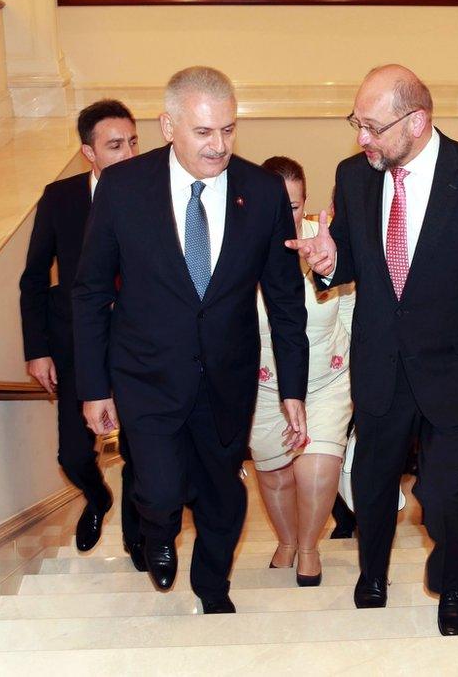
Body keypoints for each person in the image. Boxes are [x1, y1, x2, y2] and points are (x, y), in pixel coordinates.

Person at [288, 64, 458, 636]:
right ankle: (374, 572)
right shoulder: (353, 176)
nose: (361, 138)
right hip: (382, 363)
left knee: (444, 491)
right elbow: (364, 264)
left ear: (418, 122)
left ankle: (453, 581)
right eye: (355, 123)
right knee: (374, 479)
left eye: (372, 127)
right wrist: (331, 263)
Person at [73, 67, 309, 614]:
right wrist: (94, 387)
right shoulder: (123, 188)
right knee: (157, 489)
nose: (219, 145)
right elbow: (88, 293)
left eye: (228, 130)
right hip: (145, 374)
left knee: (224, 498)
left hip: (227, 377)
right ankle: (157, 532)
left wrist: (291, 387)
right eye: (204, 132)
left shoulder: (262, 191)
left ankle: (213, 586)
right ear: (168, 126)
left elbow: (285, 299)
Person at [19, 100, 144, 567]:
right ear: (88, 152)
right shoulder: (60, 198)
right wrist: (37, 350)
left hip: (137, 345)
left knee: (139, 449)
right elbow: (34, 277)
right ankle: (98, 499)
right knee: (73, 455)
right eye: (115, 145)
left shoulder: (157, 193)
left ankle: (138, 535)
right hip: (75, 345)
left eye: (134, 141)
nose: (129, 153)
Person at [250, 156, 354, 587]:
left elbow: (351, 308)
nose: (283, 215)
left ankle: (309, 547)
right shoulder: (240, 247)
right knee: (274, 473)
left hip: (328, 379)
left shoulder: (324, 243)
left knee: (315, 468)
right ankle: (288, 540)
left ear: (305, 202)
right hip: (264, 386)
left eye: (292, 205)